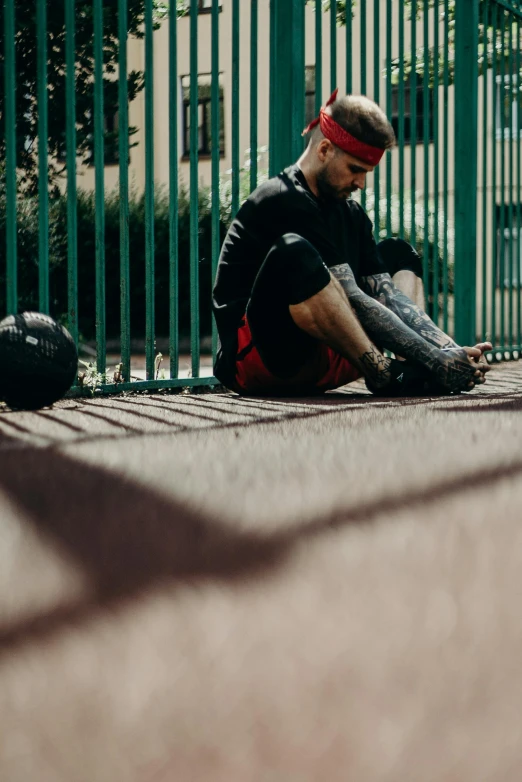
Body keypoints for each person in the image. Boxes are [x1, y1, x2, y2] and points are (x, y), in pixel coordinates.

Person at [212, 90, 491, 397]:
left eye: (367, 173)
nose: (361, 183)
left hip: (331, 353)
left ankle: (410, 368)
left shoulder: (352, 214)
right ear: (324, 150)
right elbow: (351, 297)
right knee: (295, 252)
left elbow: (388, 296)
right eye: (355, 170)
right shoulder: (282, 198)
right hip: (261, 362)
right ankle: (386, 375)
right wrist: (437, 359)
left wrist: (446, 349)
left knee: (398, 252)